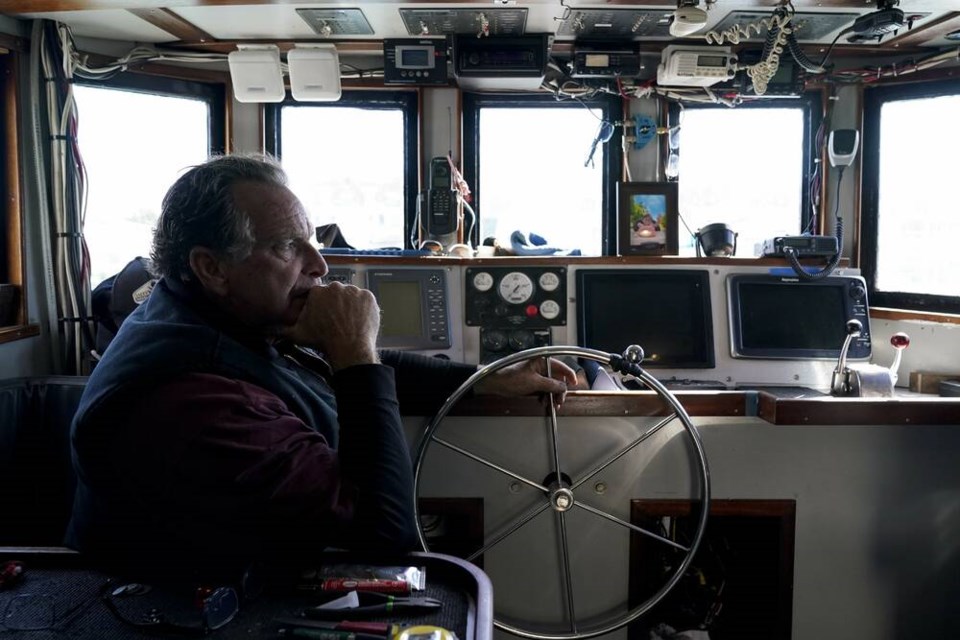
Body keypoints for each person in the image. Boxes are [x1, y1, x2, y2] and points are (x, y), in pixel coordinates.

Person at [65, 153, 577, 567]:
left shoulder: (209, 314)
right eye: (288, 247)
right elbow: (384, 540)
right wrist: (354, 354)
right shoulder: (194, 400)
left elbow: (353, 366)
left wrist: (490, 379)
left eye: (311, 239)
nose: (320, 264)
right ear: (212, 266)